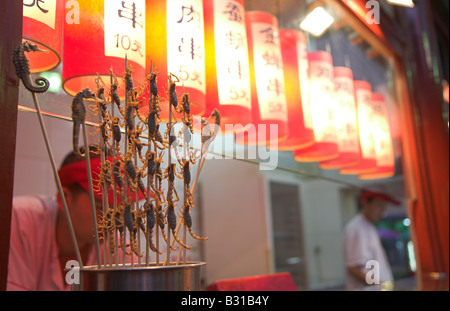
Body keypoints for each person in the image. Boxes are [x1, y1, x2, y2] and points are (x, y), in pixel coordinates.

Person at [7, 146, 138, 291]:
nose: (115, 220)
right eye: (101, 206)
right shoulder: (16, 222)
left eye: (121, 208)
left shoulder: (121, 250)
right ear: (64, 199)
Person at [343, 189, 400, 290]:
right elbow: (353, 269)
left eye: (384, 207)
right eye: (379, 206)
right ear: (365, 203)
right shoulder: (356, 228)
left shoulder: (369, 227)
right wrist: (383, 286)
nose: (382, 211)